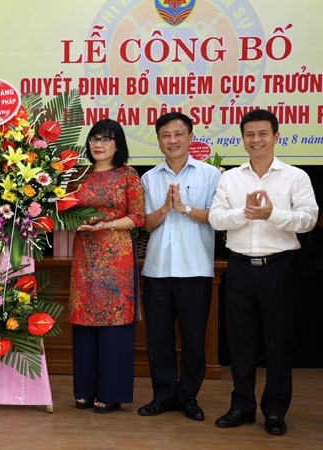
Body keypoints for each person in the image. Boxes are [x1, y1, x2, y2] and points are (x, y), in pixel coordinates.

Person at [209, 109, 318, 435]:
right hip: (240, 268)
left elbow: (308, 219)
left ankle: (274, 411)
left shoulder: (295, 177)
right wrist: (245, 213)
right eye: (250, 135)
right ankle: (241, 406)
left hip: (278, 269)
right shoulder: (230, 178)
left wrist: (273, 214)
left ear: (275, 137)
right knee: (240, 341)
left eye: (262, 134)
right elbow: (215, 218)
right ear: (243, 138)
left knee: (278, 341)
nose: (256, 140)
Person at [138, 112, 221, 421]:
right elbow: (147, 224)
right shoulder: (149, 178)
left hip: (195, 269)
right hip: (157, 270)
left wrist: (183, 208)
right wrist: (165, 208)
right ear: (159, 141)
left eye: (178, 134)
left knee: (194, 338)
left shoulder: (210, 175)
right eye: (166, 135)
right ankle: (163, 396)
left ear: (190, 138)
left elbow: (217, 217)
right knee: (157, 338)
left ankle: (188, 397)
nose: (172, 140)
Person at [67, 118, 145, 414]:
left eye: (105, 139)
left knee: (115, 321)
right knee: (84, 318)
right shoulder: (79, 175)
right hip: (85, 255)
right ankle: (85, 389)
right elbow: (65, 210)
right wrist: (79, 220)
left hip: (117, 257)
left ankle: (112, 392)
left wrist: (105, 225)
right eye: (94, 139)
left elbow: (138, 217)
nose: (98, 144)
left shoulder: (127, 175)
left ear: (117, 145)